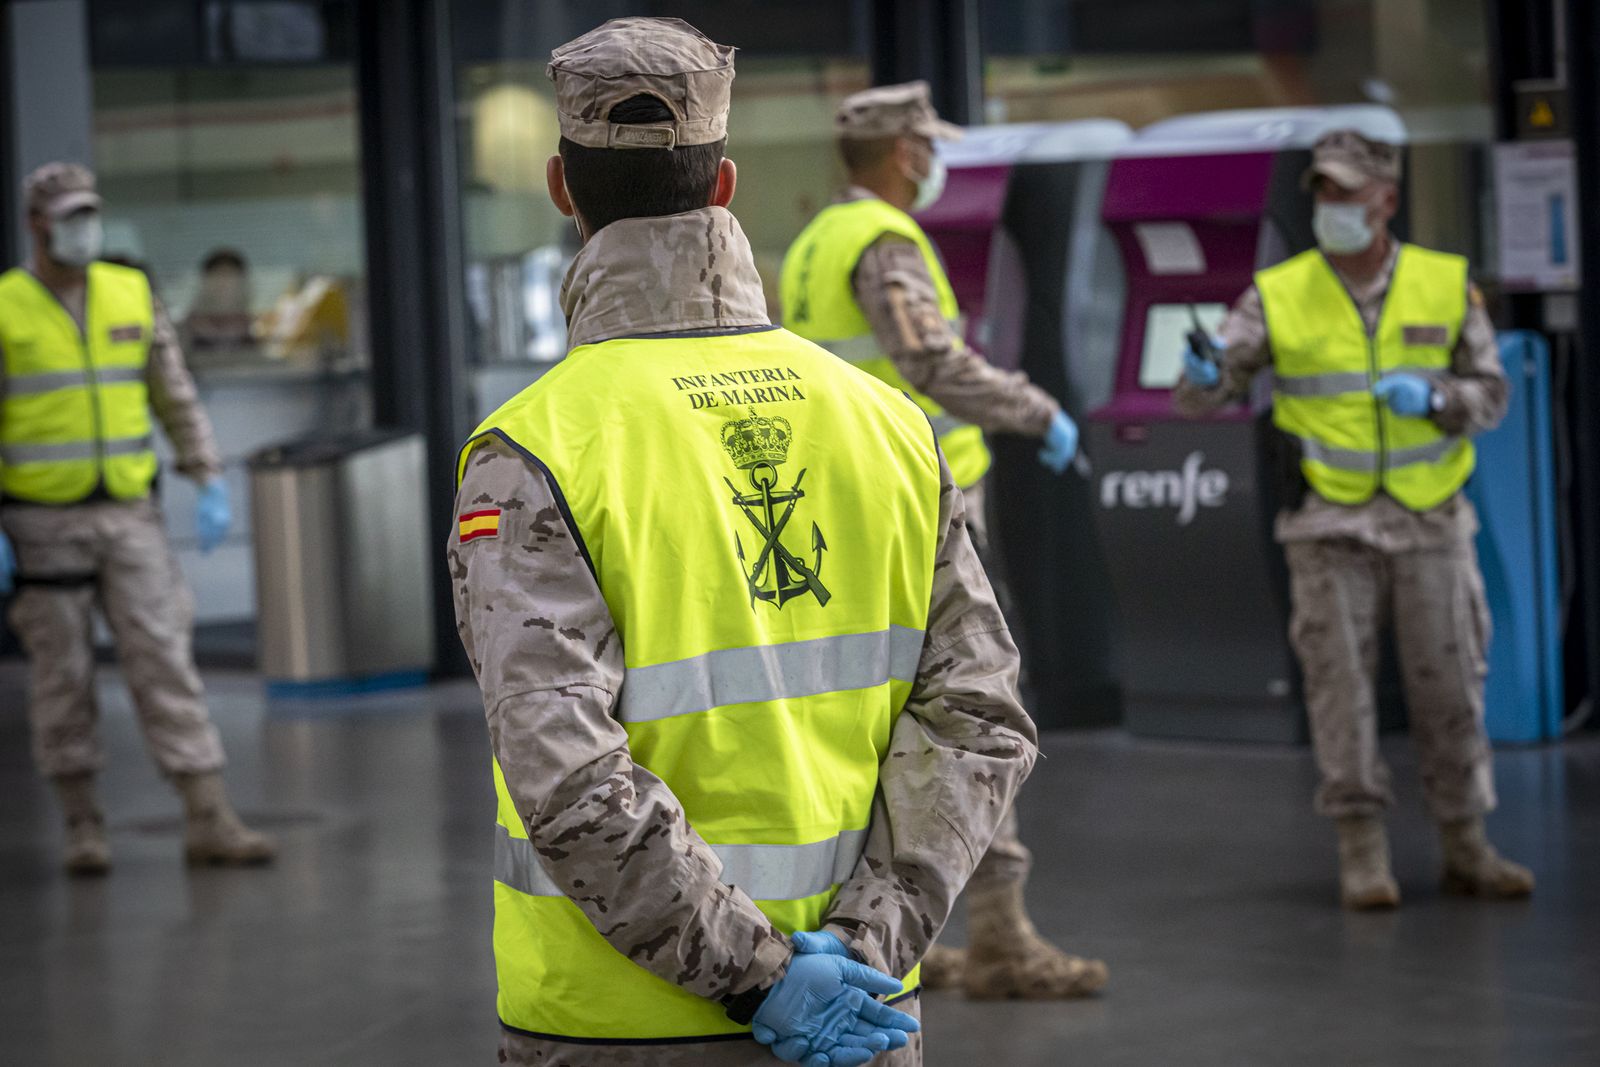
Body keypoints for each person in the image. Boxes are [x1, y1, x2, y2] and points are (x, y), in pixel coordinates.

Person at [449, 18, 1039, 1066]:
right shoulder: (888, 423)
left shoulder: (534, 449)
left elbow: (571, 773)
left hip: (619, 1026)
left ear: (559, 186)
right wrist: (861, 948)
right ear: (723, 186)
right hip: (859, 1020)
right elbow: (978, 715)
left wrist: (760, 976)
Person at [778, 81, 1106, 1000]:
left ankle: (885, 935)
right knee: (976, 705)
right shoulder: (882, 241)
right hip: (921, 500)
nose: (932, 163)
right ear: (901, 155)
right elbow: (927, 358)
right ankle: (1000, 931)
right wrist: (1036, 409)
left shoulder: (811, 243)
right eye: (925, 147)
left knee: (879, 711)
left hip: (843, 498)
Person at [1174, 129, 1534, 909]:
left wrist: (1437, 399)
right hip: (1328, 525)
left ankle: (1466, 841)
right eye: (1323, 193)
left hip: (1432, 520)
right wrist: (1201, 375)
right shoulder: (1278, 292)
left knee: (1452, 686)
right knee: (1341, 691)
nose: (1332, 206)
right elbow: (1206, 389)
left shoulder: (1445, 283)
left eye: (1347, 192)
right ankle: (1362, 850)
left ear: (1387, 200)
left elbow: (1493, 394)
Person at [0, 163, 274, 874]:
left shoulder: (129, 293)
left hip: (130, 513)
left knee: (165, 658)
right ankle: (83, 824)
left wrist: (207, 474)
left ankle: (208, 815)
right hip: (41, 524)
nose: (82, 227)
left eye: (90, 213)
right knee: (62, 676)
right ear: (36, 222)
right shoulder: (7, 306)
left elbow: (173, 395)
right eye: (68, 215)